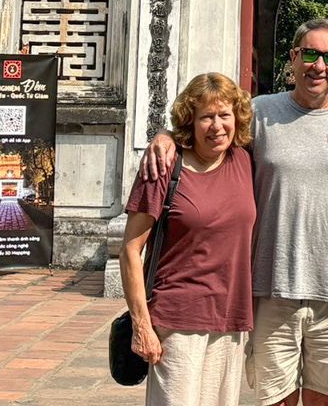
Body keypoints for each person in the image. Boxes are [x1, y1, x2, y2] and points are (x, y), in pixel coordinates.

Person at [143, 18, 328, 406]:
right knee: (276, 400)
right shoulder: (260, 114)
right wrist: (166, 137)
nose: (318, 65)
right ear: (293, 58)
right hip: (270, 288)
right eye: (309, 54)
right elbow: (212, 130)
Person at [121, 72, 258, 406]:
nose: (217, 126)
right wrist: (141, 324)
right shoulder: (164, 166)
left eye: (224, 115)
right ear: (190, 121)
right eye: (206, 117)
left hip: (231, 316)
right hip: (178, 319)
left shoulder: (243, 159)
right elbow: (129, 250)